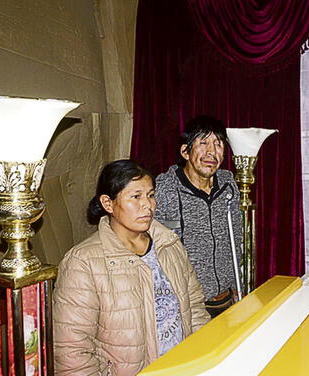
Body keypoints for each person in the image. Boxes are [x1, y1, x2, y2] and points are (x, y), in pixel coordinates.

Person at [53, 159, 209, 375]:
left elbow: (195, 308)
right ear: (108, 203)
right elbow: (72, 351)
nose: (148, 205)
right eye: (135, 196)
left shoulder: (169, 245)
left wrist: (202, 360)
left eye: (151, 195)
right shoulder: (83, 263)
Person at [155, 115, 243, 318]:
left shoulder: (229, 186)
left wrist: (236, 284)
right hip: (186, 304)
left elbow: (236, 238)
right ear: (185, 151)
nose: (211, 152)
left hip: (225, 300)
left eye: (218, 144)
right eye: (203, 143)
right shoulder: (164, 190)